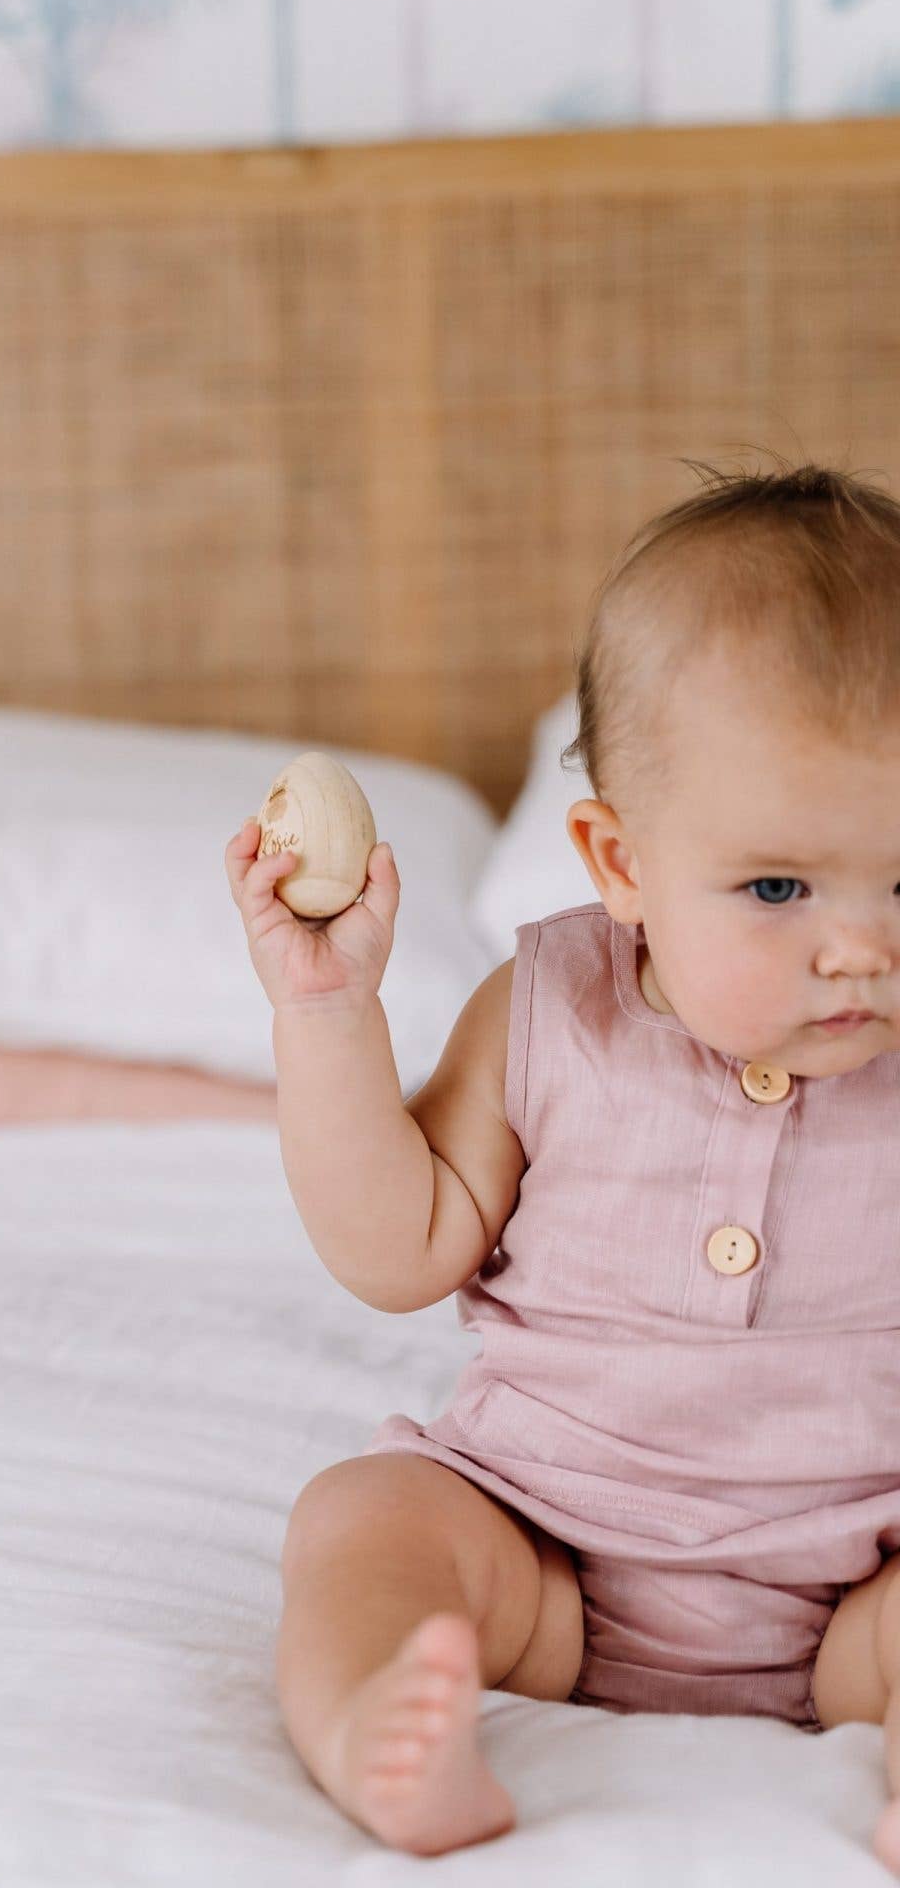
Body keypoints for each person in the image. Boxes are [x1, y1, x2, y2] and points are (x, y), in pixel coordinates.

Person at [224, 458, 900, 1862]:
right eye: (779, 887)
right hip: (550, 1558)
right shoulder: (546, 1017)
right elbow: (395, 1248)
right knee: (365, 1517)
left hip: (862, 1590)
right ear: (620, 862)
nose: (859, 947)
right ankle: (376, 1726)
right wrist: (327, 1012)